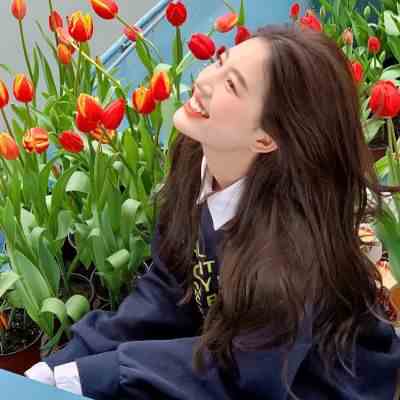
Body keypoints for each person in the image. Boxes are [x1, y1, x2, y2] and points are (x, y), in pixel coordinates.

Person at [25, 24, 400, 399]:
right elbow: (168, 286)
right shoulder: (197, 162)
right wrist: (63, 363)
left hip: (305, 381)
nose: (203, 81)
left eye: (232, 85)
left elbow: (241, 374)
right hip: (229, 354)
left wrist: (107, 372)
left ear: (266, 137)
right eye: (220, 62)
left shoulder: (292, 250)